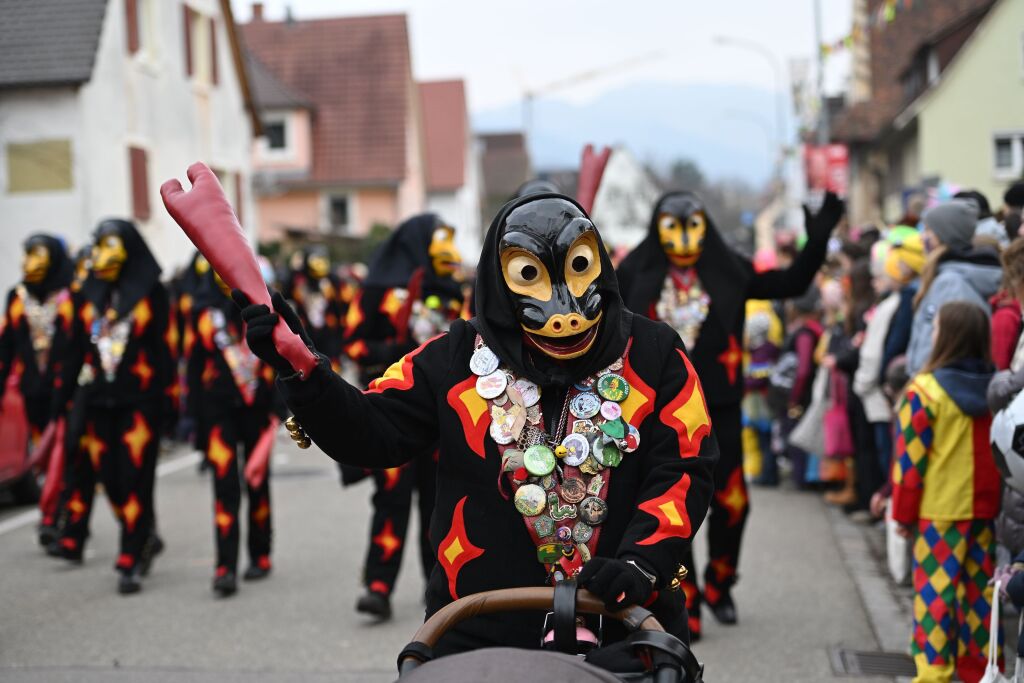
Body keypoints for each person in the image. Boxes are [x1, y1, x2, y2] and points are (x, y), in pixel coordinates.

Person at [224, 192, 718, 654]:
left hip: (625, 630)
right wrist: (303, 369)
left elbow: (684, 465)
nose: (564, 316)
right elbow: (373, 431)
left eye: (578, 270)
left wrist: (640, 563)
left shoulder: (656, 353)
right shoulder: (454, 357)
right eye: (530, 275)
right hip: (479, 641)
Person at [615, 190, 843, 636]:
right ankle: (686, 598)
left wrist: (815, 242)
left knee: (732, 504)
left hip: (719, 408)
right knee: (665, 504)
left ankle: (720, 584)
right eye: (672, 227)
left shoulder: (730, 270)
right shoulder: (632, 274)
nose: (682, 238)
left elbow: (790, 283)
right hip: (655, 413)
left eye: (692, 225)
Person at [339, 214, 465, 621]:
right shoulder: (376, 290)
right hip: (393, 410)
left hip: (443, 417)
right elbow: (354, 345)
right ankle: (378, 585)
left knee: (439, 503)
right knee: (391, 500)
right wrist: (402, 350)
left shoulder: (450, 291)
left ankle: (440, 588)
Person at [50, 219, 173, 594]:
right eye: (98, 246)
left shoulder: (153, 294)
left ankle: (130, 559)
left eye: (110, 246)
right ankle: (144, 535)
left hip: (141, 404)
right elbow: (73, 353)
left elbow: (164, 350)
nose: (100, 255)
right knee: (112, 483)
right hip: (98, 404)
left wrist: (170, 404)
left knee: (136, 480)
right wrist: (62, 405)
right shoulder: (86, 295)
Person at [891, 301, 1001, 683]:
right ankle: (980, 671)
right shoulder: (997, 386)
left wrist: (902, 515)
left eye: (936, 328)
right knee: (980, 598)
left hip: (939, 510)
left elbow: (910, 464)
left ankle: (934, 672)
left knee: (936, 596)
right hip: (985, 509)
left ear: (947, 337)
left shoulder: (925, 391)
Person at [187, 262, 285, 596]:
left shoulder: (265, 308)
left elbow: (282, 358)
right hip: (218, 416)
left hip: (258, 413)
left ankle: (260, 555)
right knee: (225, 488)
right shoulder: (203, 316)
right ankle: (225, 566)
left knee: (257, 483)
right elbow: (193, 370)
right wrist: (195, 423)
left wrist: (280, 410)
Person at [0, 234, 75, 542]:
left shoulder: (72, 295)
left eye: (38, 253)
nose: (29, 260)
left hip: (66, 391)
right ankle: (58, 511)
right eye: (27, 252)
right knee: (43, 457)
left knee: (64, 454)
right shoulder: (16, 297)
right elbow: (7, 347)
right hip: (33, 392)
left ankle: (59, 517)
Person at [906, 200, 1002, 376]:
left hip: (936, 388)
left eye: (928, 230)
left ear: (945, 235)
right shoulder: (945, 276)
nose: (922, 237)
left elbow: (953, 345)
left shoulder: (952, 283)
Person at [284, 246, 347, 370]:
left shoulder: (332, 281)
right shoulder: (297, 280)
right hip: (305, 332)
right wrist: (293, 268)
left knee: (330, 369)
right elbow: (285, 294)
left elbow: (340, 308)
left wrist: (341, 337)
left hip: (328, 333)